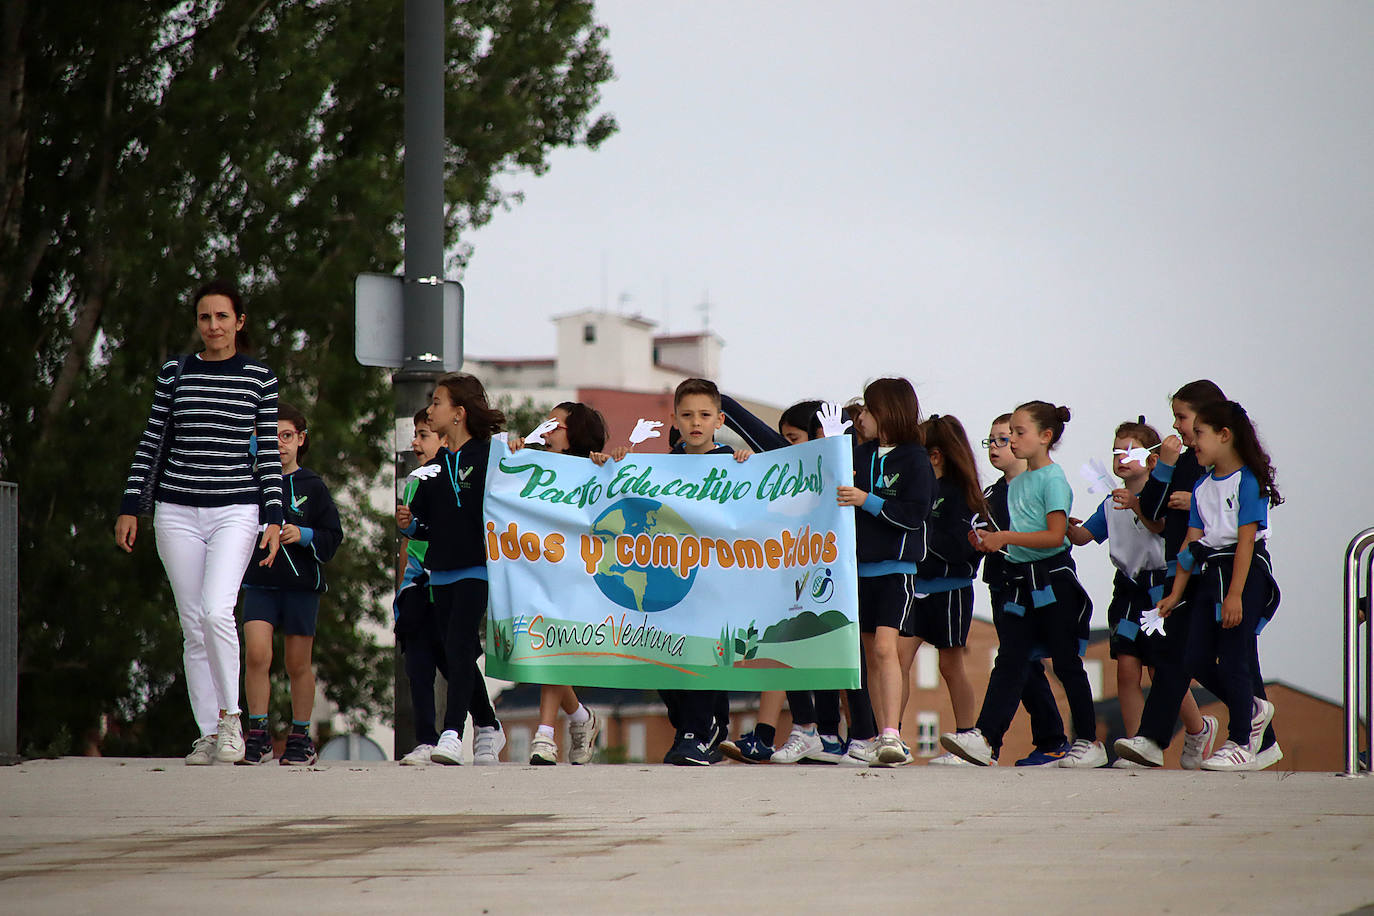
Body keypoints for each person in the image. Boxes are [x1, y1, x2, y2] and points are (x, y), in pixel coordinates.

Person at [115, 279, 283, 765]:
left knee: (216, 612)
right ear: (198, 323)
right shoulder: (176, 372)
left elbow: (268, 454)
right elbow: (152, 441)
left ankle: (235, 721)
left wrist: (273, 517)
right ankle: (208, 730)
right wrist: (132, 506)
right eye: (205, 318)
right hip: (177, 510)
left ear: (239, 322)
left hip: (236, 509)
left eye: (222, 317)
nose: (213, 326)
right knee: (193, 625)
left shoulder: (260, 378)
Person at [1116, 401, 1282, 771]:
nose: (1193, 442)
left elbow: (1245, 542)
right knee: (1194, 656)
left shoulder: (1248, 481)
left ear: (1225, 436)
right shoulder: (1204, 485)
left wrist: (1236, 593)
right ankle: (1254, 710)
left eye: (1200, 434)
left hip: (1241, 574)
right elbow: (1190, 545)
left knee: (1236, 657)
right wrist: (1174, 594)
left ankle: (1241, 739)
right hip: (1206, 574)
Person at [942, 401, 1106, 768]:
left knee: (1066, 663)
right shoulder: (1014, 485)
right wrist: (989, 542)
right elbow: (1020, 536)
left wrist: (1004, 539)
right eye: (1006, 435)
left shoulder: (1053, 479)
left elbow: (1054, 536)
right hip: (1018, 587)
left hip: (1053, 582)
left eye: (1018, 433)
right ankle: (985, 739)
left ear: (1045, 437)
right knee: (1012, 659)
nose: (1011, 441)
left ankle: (1089, 741)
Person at [1065, 418, 1213, 767]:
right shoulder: (1109, 502)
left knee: (1161, 669)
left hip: (1161, 586)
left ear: (1152, 459)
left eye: (1129, 450)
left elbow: (1160, 527)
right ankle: (1135, 745)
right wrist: (1065, 526)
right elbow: (1086, 536)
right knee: (1127, 669)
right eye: (1116, 450)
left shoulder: (1160, 496)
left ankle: (1198, 728)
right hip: (1128, 590)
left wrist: (1137, 505)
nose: (1120, 457)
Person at [716, 397, 853, 765]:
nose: (786, 449)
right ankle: (815, 733)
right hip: (795, 568)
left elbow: (764, 441)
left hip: (831, 569)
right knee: (790, 644)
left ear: (819, 436)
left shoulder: (835, 463)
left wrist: (725, 403)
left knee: (824, 644)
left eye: (793, 439)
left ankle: (828, 733)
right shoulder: (798, 471)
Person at [398, 373, 506, 766]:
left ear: (458, 414)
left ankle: (451, 734)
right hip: (438, 572)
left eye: (438, 401)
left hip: (478, 568)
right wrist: (409, 523)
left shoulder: (493, 454)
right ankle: (489, 727)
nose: (431, 409)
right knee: (453, 652)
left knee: (459, 644)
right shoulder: (436, 465)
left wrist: (518, 448)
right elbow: (423, 524)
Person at [951, 415, 1066, 767]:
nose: (998, 447)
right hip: (1001, 583)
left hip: (1035, 585)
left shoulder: (1040, 484)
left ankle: (987, 739)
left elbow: (1053, 537)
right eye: (992, 441)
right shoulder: (989, 494)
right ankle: (1052, 741)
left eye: (1006, 438)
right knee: (1024, 662)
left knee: (1015, 658)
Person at [835, 378, 937, 767]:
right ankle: (877, 736)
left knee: (884, 648)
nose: (860, 417)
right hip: (857, 572)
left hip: (897, 571)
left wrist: (868, 500)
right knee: (868, 655)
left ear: (889, 412)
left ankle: (893, 734)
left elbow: (915, 514)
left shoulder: (914, 458)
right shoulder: (858, 455)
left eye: (868, 410)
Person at [237, 403, 343, 766]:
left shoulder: (313, 486)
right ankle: (258, 734)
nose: (279, 444)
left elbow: (333, 535)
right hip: (258, 583)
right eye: (269, 436)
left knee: (298, 663)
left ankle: (300, 737)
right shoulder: (247, 482)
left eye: (286, 436)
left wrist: (304, 534)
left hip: (301, 587)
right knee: (256, 655)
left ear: (300, 439)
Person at [656, 378, 751, 766]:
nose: (696, 422)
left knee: (703, 652)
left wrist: (751, 468)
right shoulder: (659, 465)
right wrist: (614, 462)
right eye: (687, 415)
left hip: (716, 581)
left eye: (705, 415)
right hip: (670, 578)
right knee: (662, 661)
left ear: (720, 420)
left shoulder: (734, 461)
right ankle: (702, 728)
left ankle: (697, 732)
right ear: (674, 420)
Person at [510, 402, 608, 766]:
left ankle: (545, 734)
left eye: (555, 425)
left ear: (574, 436)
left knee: (553, 646)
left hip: (581, 575)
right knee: (548, 647)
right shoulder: (534, 466)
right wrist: (512, 457)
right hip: (541, 573)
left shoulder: (595, 470)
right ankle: (581, 718)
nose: (545, 430)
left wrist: (612, 462)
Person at [895, 414, 985, 764]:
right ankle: (892, 735)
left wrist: (921, 532)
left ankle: (967, 738)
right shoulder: (916, 490)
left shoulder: (961, 494)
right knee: (898, 660)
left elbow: (959, 546)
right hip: (913, 588)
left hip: (951, 589)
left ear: (934, 456)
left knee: (951, 665)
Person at [395, 409, 448, 766]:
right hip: (417, 586)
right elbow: (407, 542)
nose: (415, 442)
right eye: (415, 434)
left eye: (424, 434)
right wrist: (403, 589)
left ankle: (487, 725)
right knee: (418, 665)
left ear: (445, 438)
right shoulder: (413, 480)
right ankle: (426, 739)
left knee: (456, 663)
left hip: (448, 582)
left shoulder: (452, 478)